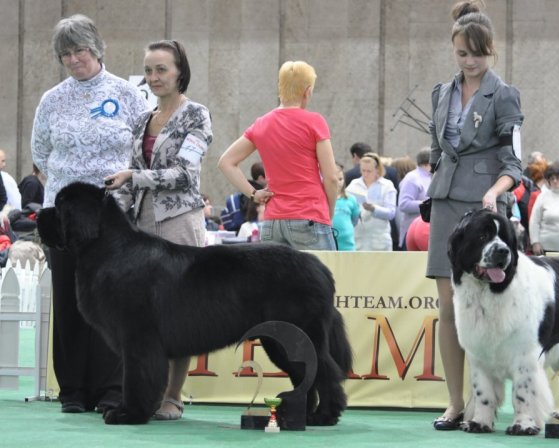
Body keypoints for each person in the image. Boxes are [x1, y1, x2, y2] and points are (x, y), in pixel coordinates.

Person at [31, 14, 148, 414]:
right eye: (65, 54)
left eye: (80, 49)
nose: (74, 59)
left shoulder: (128, 94)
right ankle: (73, 391)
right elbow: (40, 153)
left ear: (96, 49)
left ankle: (113, 388)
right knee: (69, 301)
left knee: (113, 302)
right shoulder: (52, 99)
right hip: (63, 216)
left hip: (111, 215)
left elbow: (141, 150)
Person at [426, 1, 523, 430]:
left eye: (478, 54)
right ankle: (455, 402)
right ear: (454, 49)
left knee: (487, 310)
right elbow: (436, 149)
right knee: (449, 308)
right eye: (462, 54)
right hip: (446, 206)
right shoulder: (440, 92)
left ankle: (488, 403)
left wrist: (495, 193)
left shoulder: (504, 94)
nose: (470, 62)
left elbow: (514, 163)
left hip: (485, 210)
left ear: (492, 50)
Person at [104, 39, 212, 420]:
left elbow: (184, 174)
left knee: (178, 312)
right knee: (141, 318)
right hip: (140, 226)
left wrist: (134, 175)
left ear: (180, 71)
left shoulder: (197, 115)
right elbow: (128, 184)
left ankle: (173, 396)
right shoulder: (141, 120)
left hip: (180, 222)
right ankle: (141, 394)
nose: (153, 77)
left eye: (161, 69)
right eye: (148, 70)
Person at [217, 60, 338, 250]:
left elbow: (226, 162)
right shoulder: (314, 122)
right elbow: (331, 178)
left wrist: (254, 194)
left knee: (275, 281)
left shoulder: (261, 124)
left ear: (280, 88)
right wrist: (329, 212)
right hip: (310, 216)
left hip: (272, 221)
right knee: (320, 279)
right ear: (307, 91)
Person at [346, 152, 397, 251]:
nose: (365, 174)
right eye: (363, 170)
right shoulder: (354, 184)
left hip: (379, 239)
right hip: (358, 237)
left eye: (369, 171)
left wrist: (374, 208)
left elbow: (391, 213)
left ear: (377, 169)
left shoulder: (386, 185)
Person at [529, 160, 559, 255]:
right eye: (551, 178)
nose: (554, 181)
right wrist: (535, 242)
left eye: (558, 178)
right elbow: (534, 221)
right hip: (544, 249)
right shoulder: (542, 196)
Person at [397, 149, 432, 249]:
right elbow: (404, 204)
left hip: (426, 233)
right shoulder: (412, 178)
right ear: (428, 163)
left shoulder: (431, 177)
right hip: (411, 233)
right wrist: (428, 205)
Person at [332, 163, 359, 251]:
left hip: (347, 243)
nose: (338, 182)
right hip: (329, 242)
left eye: (340, 179)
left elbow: (354, 220)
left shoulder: (351, 199)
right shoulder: (323, 199)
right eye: (335, 179)